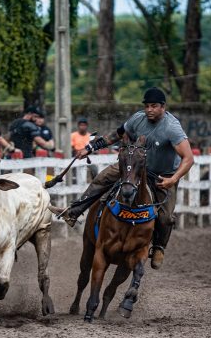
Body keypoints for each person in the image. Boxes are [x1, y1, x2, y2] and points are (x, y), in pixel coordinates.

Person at [50, 87, 195, 270]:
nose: (149, 109)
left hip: (162, 175)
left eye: (154, 106)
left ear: (163, 107)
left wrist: (173, 179)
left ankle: (158, 247)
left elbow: (188, 158)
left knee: (165, 217)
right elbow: (115, 135)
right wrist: (90, 148)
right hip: (134, 166)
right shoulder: (137, 119)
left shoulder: (172, 128)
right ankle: (73, 212)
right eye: (147, 106)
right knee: (102, 179)